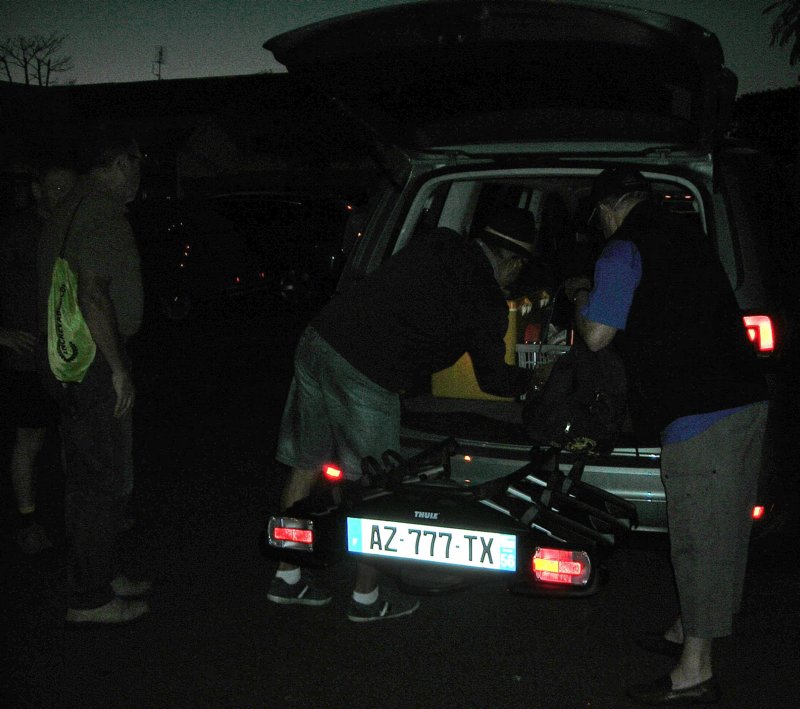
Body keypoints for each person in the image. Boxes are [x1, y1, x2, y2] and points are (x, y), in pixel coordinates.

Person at [269, 206, 536, 621]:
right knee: (379, 486)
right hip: (367, 371)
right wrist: (536, 381)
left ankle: (287, 576)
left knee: (306, 463)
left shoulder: (440, 241)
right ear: (513, 262)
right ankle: (366, 599)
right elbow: (494, 381)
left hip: (319, 340)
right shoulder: (486, 298)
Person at [565, 167, 768, 706]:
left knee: (702, 538)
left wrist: (581, 294)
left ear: (606, 210)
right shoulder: (685, 233)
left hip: (703, 411)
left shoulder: (623, 248)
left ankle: (695, 670)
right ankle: (688, 629)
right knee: (724, 529)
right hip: (744, 399)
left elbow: (597, 335)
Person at [36, 125, 151, 625]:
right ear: (121, 163)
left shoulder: (70, 207)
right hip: (92, 363)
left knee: (92, 477)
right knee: (98, 482)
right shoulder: (101, 211)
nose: (139, 173)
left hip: (66, 360)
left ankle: (101, 575)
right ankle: (89, 597)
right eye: (137, 162)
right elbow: (92, 293)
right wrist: (119, 368)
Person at [1, 164, 77, 554]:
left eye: (69, 187)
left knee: (73, 435)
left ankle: (81, 517)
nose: (64, 194)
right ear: (37, 190)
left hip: (68, 355)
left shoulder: (73, 228)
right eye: (56, 187)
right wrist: (2, 334)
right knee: (29, 440)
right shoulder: (16, 232)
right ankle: (28, 522)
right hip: (28, 357)